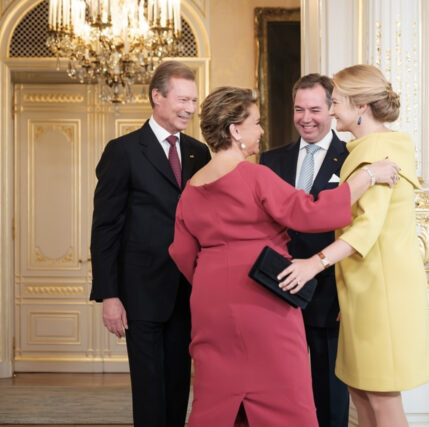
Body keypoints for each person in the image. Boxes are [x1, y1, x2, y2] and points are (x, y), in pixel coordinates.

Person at [168, 86, 400, 426]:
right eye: (256, 123)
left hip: (210, 301)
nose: (262, 131)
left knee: (217, 392)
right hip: (263, 295)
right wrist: (368, 176)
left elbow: (182, 251)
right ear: (235, 131)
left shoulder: (191, 188)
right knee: (283, 392)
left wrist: (212, 279)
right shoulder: (254, 176)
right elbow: (311, 213)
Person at [278, 64, 429, 427]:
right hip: (363, 289)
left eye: (336, 102)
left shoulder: (378, 149)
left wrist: (312, 264)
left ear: (361, 105)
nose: (331, 110)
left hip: (381, 292)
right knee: (362, 395)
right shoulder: (370, 148)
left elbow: (366, 228)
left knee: (381, 400)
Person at [90, 61, 211, 427]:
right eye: (183, 100)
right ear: (157, 96)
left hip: (187, 291)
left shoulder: (199, 152)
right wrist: (109, 295)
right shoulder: (123, 151)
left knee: (178, 386)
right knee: (148, 389)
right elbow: (105, 228)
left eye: (194, 100)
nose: (190, 108)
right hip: (140, 293)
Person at [259, 73, 349, 427]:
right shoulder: (270, 161)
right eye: (299, 109)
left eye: (314, 109)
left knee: (329, 395)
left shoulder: (350, 159)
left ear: (331, 109)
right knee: (280, 391)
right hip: (279, 290)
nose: (306, 118)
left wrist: (346, 296)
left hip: (329, 293)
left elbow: (358, 231)